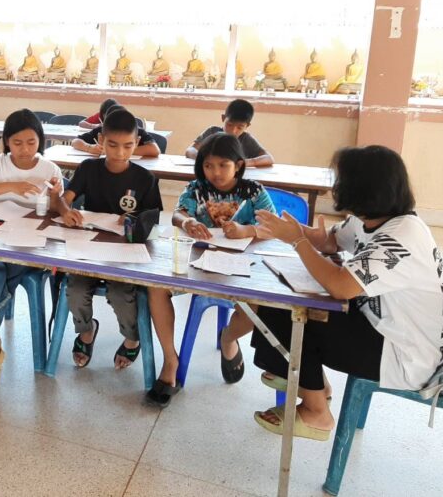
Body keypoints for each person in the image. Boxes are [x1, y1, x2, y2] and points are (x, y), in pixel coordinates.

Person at [252, 146, 443, 440]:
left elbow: (340, 286)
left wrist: (297, 242)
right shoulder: (371, 220)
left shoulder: (402, 239)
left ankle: (316, 412)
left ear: (362, 190)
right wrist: (293, 231)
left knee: (286, 312)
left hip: (405, 355)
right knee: (280, 302)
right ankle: (314, 385)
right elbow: (330, 242)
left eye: (341, 180)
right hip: (380, 326)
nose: (336, 187)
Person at [0, 109, 63, 390]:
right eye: (17, 143)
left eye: (31, 142)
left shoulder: (49, 169)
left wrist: (57, 197)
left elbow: (58, 211)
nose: (25, 149)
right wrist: (10, 186)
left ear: (40, 140)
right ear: (6, 142)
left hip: (29, 248)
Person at [56, 107, 163, 371]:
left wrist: (134, 221)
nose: (120, 153)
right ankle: (86, 331)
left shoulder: (145, 178)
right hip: (88, 248)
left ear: (137, 143)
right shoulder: (88, 168)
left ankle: (132, 338)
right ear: (101, 140)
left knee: (120, 292)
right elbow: (64, 199)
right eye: (112, 145)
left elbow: (153, 220)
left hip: (124, 253)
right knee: (76, 288)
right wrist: (66, 211)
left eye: (128, 146)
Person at [170, 133, 276, 388]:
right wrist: (188, 221)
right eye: (208, 165)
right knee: (160, 287)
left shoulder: (253, 190)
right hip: (203, 264)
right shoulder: (196, 189)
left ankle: (228, 337)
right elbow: (177, 213)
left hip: (245, 263)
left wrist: (247, 230)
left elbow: (273, 227)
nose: (215, 173)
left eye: (223, 165)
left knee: (260, 306)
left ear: (238, 165)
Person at [185, 98, 274, 167]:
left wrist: (245, 163)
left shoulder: (246, 139)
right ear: (223, 118)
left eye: (239, 127)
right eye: (230, 125)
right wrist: (203, 159)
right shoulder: (212, 132)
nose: (233, 131)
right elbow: (190, 150)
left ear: (247, 126)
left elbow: (269, 158)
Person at [72, 105, 160, 157]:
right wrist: (89, 148)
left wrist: (124, 150)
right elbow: (75, 141)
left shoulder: (136, 131)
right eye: (112, 144)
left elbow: (155, 150)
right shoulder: (101, 130)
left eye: (127, 145)